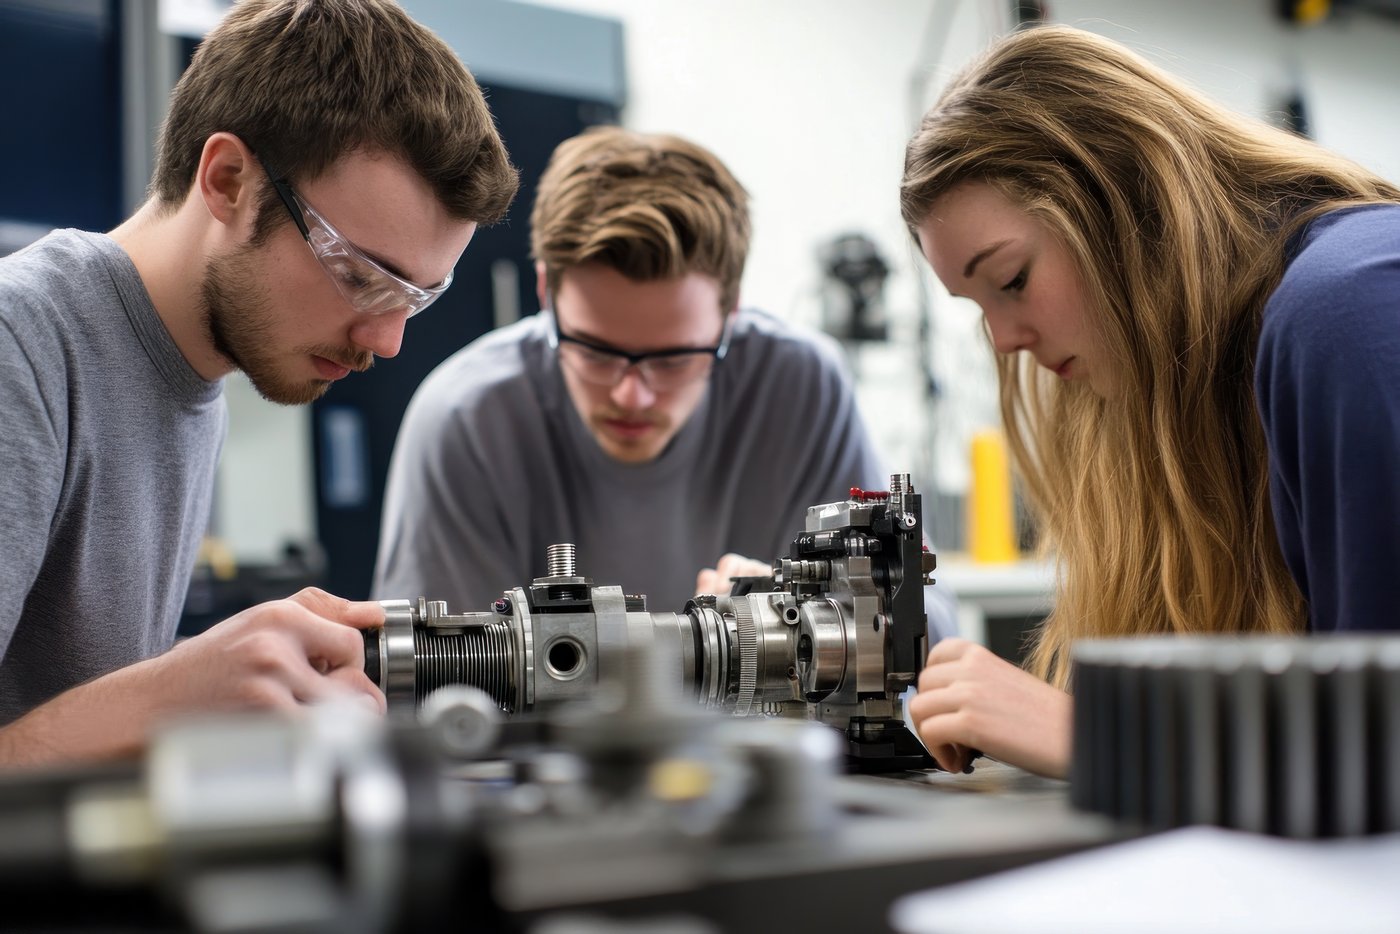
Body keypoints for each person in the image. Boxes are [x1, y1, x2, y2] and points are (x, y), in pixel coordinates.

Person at [0, 0, 518, 765]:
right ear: (229, 178)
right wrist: (168, 696)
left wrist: (235, 677)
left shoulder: (192, 379)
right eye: (359, 275)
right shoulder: (22, 350)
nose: (387, 339)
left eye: (416, 299)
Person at [901, 25, 1400, 778]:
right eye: (979, 306)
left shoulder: (1353, 305)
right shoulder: (1197, 386)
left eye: (1010, 281)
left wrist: (1106, 736)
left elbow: (1379, 758)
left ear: (1124, 201)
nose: (1003, 342)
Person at [375, 126, 953, 629]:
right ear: (547, 291)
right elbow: (438, 696)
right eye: (595, 351)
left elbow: (922, 625)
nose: (631, 394)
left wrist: (823, 611)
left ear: (731, 311)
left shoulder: (803, 386)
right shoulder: (466, 417)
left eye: (673, 360)